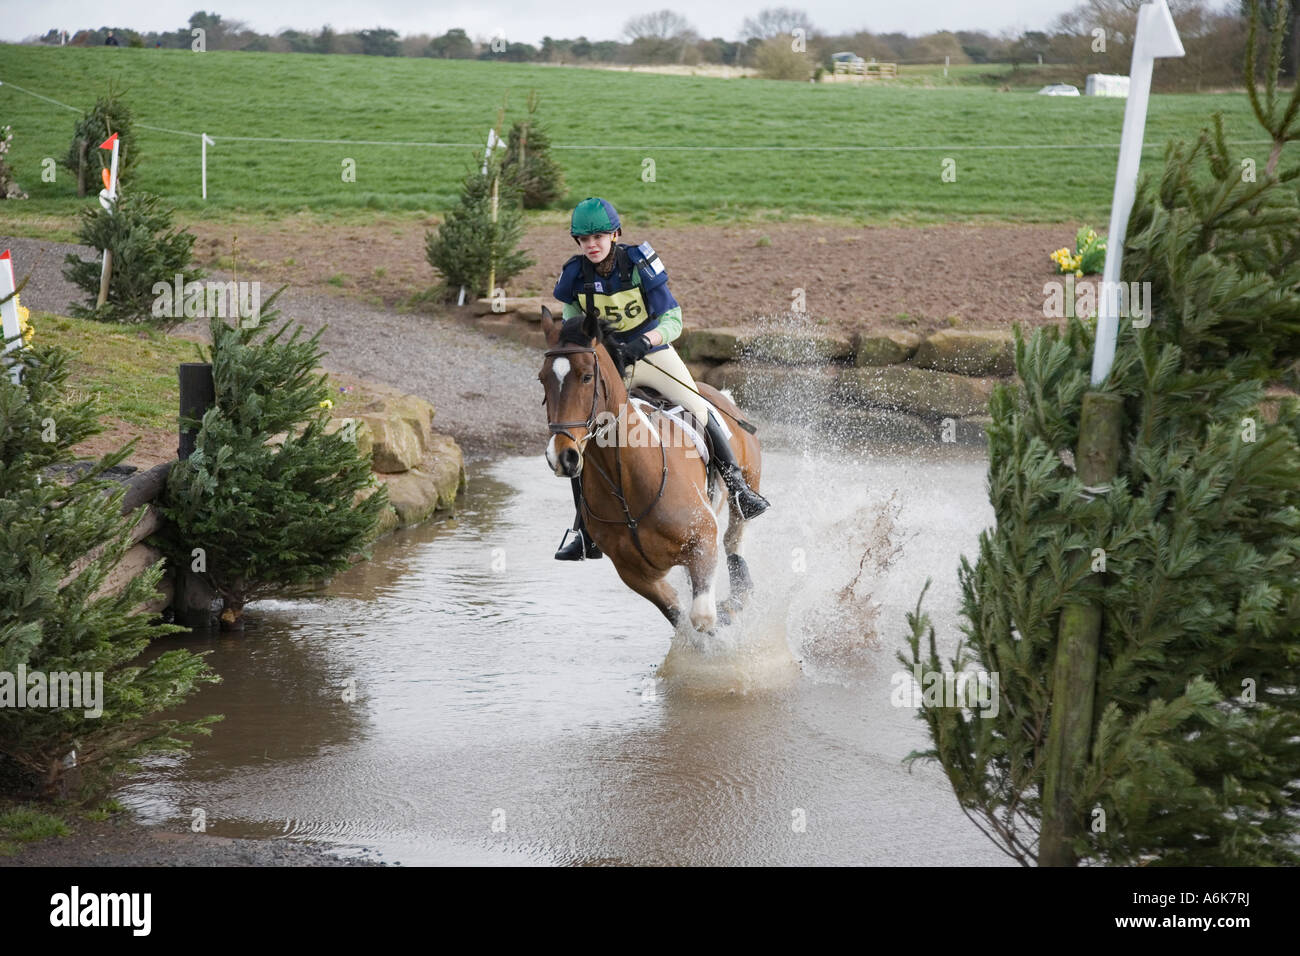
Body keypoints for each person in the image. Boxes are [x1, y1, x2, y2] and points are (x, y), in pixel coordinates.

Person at [551, 197, 769, 561]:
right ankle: (582, 529)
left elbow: (673, 320)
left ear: (615, 234)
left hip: (651, 353)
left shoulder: (637, 264)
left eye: (599, 237)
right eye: (583, 239)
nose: (591, 245)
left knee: (698, 407)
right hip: (610, 364)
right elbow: (572, 327)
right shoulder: (574, 275)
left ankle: (737, 486)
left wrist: (643, 342)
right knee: (583, 431)